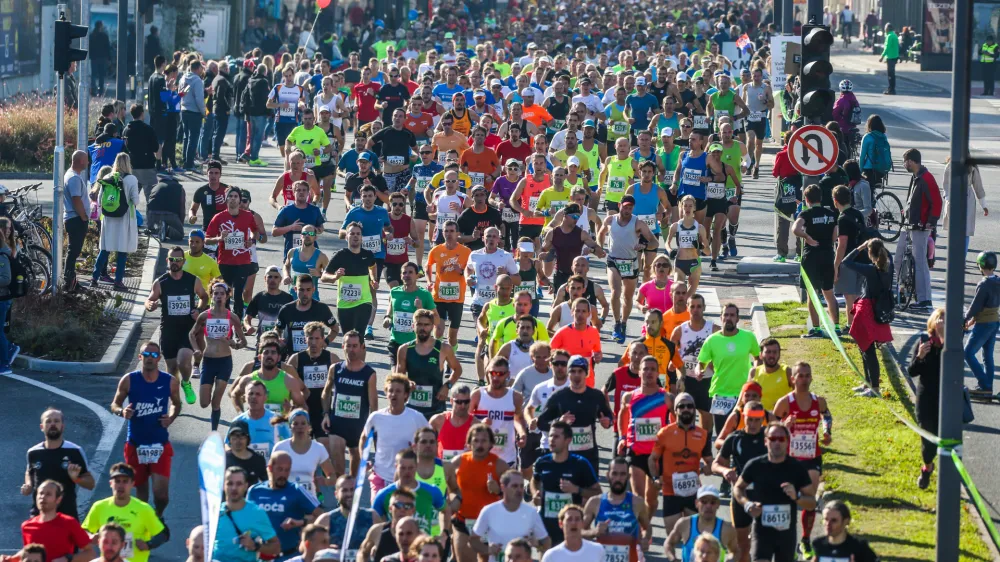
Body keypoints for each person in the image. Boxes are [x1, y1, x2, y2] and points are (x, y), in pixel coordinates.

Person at [109, 341, 182, 522]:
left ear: (159, 358)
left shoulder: (170, 381)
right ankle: (144, 525)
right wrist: (121, 411)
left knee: (161, 495)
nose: (150, 358)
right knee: (141, 493)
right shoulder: (129, 380)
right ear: (140, 357)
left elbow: (176, 403)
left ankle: (157, 516)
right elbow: (114, 404)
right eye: (146, 355)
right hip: (135, 444)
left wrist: (171, 418)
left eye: (154, 355)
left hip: (160, 445)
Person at [772, 363, 833, 558]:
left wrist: (827, 432)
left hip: (811, 456)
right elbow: (771, 428)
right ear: (793, 379)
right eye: (800, 376)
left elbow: (827, 415)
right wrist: (783, 424)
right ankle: (783, 538)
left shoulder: (818, 401)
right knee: (785, 499)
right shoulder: (784, 402)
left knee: (809, 500)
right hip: (789, 458)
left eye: (808, 376)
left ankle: (805, 540)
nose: (804, 379)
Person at [732, 423, 817, 562]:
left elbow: (812, 503)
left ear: (787, 442)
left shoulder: (796, 468)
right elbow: (738, 488)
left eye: (781, 439)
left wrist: (797, 497)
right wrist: (747, 504)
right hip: (762, 531)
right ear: (766, 441)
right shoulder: (755, 465)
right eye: (772, 439)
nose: (777, 443)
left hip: (786, 534)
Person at [190, 281, 247, 430]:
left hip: (224, 362)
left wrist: (233, 343)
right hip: (208, 361)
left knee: (216, 403)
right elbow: (191, 334)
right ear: (211, 296)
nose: (219, 296)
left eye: (222, 293)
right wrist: (196, 349)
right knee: (204, 403)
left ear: (227, 296)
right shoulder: (204, 316)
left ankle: (213, 433)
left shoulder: (232, 317)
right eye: (216, 293)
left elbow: (243, 342)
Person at [82, 464, 169, 562]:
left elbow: (163, 535)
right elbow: (83, 531)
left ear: (132, 483)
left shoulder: (144, 509)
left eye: (125, 481)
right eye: (117, 481)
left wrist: (149, 544)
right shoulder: (99, 507)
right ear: (111, 483)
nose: (121, 486)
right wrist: (90, 536)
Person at [361, 374, 430, 495]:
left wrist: (419, 452)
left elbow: (431, 440)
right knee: (377, 513)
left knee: (403, 512)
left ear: (406, 395)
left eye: (398, 391)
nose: (393, 394)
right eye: (390, 390)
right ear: (386, 393)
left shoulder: (416, 417)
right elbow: (364, 438)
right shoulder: (376, 417)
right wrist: (364, 459)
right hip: (380, 477)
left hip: (407, 478)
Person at [247, 450, 324, 558]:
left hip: (288, 555)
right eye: (280, 469)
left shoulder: (296, 490)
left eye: (287, 470)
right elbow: (247, 520)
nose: (283, 474)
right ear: (270, 468)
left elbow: (322, 516)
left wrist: (301, 522)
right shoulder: (254, 491)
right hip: (259, 556)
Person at [448, 424, 507, 562]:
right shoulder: (458, 462)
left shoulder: (500, 465)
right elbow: (447, 489)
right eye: (476, 440)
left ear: (491, 443)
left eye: (484, 441)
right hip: (463, 521)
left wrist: (499, 491)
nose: (480, 444)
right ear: (469, 443)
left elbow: (515, 497)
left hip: (490, 525)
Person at [23, 408, 95, 520]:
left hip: (67, 517)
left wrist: (76, 479)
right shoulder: (33, 452)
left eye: (56, 421)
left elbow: (90, 484)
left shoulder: (75, 451)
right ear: (42, 427)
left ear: (62, 426)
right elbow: (29, 471)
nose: (52, 424)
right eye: (48, 421)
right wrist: (28, 485)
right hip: (39, 517)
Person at [582, 456, 653, 562]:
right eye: (614, 474)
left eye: (622, 474)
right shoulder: (595, 502)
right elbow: (579, 531)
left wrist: (645, 539)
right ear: (608, 476)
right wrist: (594, 532)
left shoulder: (637, 502)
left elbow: (647, 527)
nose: (618, 478)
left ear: (628, 477)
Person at [395, 309, 461, 419]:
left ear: (432, 327)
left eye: (426, 325)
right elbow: (399, 376)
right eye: (419, 324)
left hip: (436, 408)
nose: (423, 328)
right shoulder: (404, 349)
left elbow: (457, 369)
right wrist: (407, 382)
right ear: (413, 326)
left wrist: (447, 386)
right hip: (411, 407)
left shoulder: (443, 348)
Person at [205, 187, 260, 318]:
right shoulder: (218, 217)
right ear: (226, 199)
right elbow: (207, 240)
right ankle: (225, 322)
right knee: (225, 294)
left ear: (239, 199)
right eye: (230, 196)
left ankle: (238, 323)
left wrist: (251, 240)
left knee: (238, 293)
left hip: (243, 261)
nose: (233, 199)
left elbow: (256, 232)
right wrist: (219, 238)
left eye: (236, 196)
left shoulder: (247, 216)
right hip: (225, 261)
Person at [793, 185, 840, 337]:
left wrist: (807, 237)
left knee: (812, 293)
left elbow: (795, 229)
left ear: (806, 199)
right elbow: (835, 237)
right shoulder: (831, 214)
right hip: (827, 254)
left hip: (811, 256)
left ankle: (816, 328)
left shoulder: (806, 213)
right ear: (820, 198)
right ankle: (837, 327)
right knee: (829, 293)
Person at [473, 470, 551, 560]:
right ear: (503, 487)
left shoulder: (531, 512)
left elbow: (546, 542)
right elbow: (473, 540)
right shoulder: (489, 511)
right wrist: (487, 549)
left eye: (521, 486)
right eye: (514, 486)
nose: (519, 490)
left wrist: (537, 544)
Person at [897, 149, 941, 309]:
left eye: (906, 161)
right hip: (908, 224)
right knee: (898, 258)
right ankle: (902, 291)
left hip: (920, 227)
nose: (904, 165)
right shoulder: (916, 177)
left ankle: (924, 299)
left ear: (912, 161)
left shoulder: (926, 178)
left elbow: (936, 202)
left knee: (920, 261)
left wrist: (931, 221)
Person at [93, 153, 141, 291]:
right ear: (128, 163)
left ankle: (94, 278)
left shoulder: (107, 177)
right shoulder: (131, 179)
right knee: (122, 251)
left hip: (108, 219)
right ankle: (118, 281)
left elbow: (100, 199)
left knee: (105, 249)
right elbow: (135, 200)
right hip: (124, 218)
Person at [909, 308, 945, 489]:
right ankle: (927, 466)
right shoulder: (924, 342)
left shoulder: (952, 345)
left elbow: (956, 372)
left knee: (942, 438)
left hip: (945, 399)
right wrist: (920, 356)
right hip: (925, 398)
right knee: (928, 440)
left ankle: (946, 478)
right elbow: (911, 371)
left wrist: (946, 342)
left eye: (945, 321)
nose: (941, 323)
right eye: (939, 319)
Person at [214, 467, 282, 561]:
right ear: (223, 486)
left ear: (246, 486)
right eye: (230, 483)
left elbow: (276, 547)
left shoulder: (256, 513)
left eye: (239, 484)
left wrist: (255, 546)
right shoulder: (214, 512)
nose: (234, 488)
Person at [20, 480, 96, 561]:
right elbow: (27, 554)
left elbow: (90, 553)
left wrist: (67, 559)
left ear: (58, 499)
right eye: (40, 493)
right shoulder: (27, 526)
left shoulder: (69, 523)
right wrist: (10, 559)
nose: (42, 497)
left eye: (48, 494)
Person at [664, 485, 739, 562]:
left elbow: (736, 551)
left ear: (718, 504)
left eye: (713, 502)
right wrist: (673, 559)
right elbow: (669, 543)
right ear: (696, 503)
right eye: (704, 501)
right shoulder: (685, 524)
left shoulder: (726, 529)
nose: (708, 506)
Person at [315, 475, 375, 560]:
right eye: (344, 490)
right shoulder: (325, 520)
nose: (349, 494)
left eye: (352, 490)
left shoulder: (372, 516)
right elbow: (313, 550)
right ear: (336, 494)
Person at [966, 252, 1000, 397]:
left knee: (968, 353)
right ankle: (988, 387)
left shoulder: (984, 284)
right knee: (988, 356)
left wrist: (966, 318)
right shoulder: (998, 281)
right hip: (994, 321)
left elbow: (976, 306)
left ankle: (984, 385)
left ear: (980, 265)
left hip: (984, 323)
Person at [230, 379, 292, 459]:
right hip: (245, 469)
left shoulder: (277, 420)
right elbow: (227, 446)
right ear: (245, 398)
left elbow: (291, 443)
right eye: (250, 393)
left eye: (258, 394)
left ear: (265, 398)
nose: (254, 397)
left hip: (269, 469)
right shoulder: (238, 422)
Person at [942, 160, 989, 255]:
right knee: (964, 230)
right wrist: (983, 205)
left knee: (957, 230)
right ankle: (960, 258)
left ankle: (957, 258)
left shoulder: (951, 165)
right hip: (964, 198)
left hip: (955, 196)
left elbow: (946, 184)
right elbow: (978, 186)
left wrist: (948, 198)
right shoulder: (971, 165)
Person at [811, 501, 880, 561]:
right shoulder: (818, 544)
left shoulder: (859, 547)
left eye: (834, 520)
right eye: (826, 519)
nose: (828, 524)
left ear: (846, 521)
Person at [62, 150, 90, 293]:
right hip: (76, 219)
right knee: (73, 252)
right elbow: (76, 199)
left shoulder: (72, 175)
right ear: (81, 161)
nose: (88, 162)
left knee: (74, 251)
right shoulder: (73, 178)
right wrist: (84, 216)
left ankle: (71, 281)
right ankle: (69, 282)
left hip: (74, 218)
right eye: (86, 160)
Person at [122, 104, 161, 201]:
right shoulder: (148, 129)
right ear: (142, 114)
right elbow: (156, 148)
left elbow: (124, 148)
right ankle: (150, 216)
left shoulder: (126, 130)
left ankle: (131, 216)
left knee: (130, 199)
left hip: (131, 167)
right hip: (147, 166)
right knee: (151, 197)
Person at [539, 505, 604, 562]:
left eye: (577, 519)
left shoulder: (597, 550)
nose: (573, 523)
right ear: (561, 524)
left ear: (582, 523)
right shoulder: (551, 556)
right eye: (569, 519)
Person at [179, 61, 206, 171]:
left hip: (184, 110)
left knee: (186, 137)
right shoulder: (197, 80)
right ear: (198, 68)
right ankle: (190, 164)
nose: (202, 70)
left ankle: (185, 160)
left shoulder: (183, 78)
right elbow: (199, 98)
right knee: (193, 138)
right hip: (194, 112)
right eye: (201, 68)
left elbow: (180, 93)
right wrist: (203, 112)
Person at [225, 420, 269, 486]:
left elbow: (266, 484)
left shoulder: (258, 459)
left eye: (242, 436)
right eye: (234, 436)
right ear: (229, 439)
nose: (238, 440)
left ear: (248, 439)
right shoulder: (222, 460)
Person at [880, 24, 899, 95]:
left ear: (888, 29)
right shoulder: (894, 35)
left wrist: (882, 56)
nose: (884, 29)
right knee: (892, 73)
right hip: (894, 56)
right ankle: (891, 88)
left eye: (885, 28)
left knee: (890, 74)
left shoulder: (889, 36)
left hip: (890, 57)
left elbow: (887, 47)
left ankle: (891, 89)